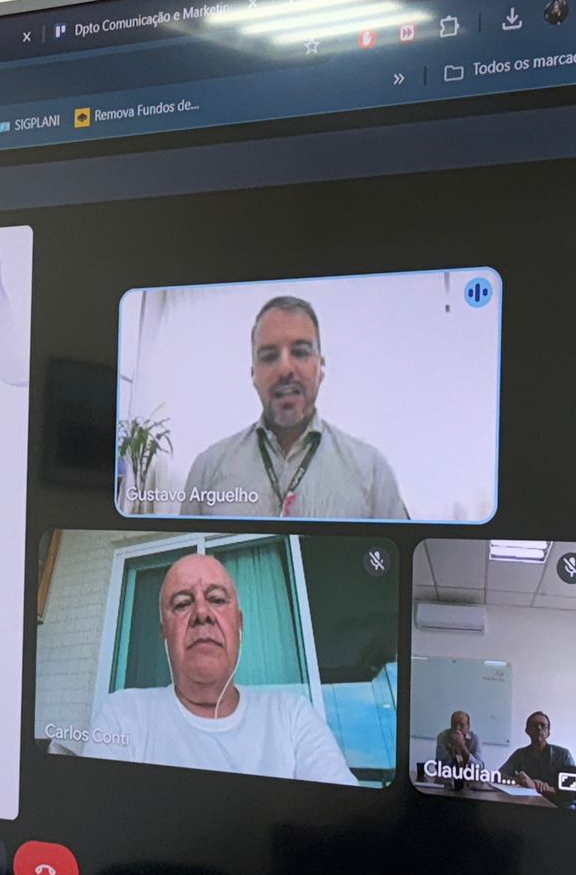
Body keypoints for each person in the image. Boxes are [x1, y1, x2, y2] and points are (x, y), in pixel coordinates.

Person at [82, 552, 356, 784]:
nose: (202, 613)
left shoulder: (291, 715)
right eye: (182, 603)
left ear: (239, 623)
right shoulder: (124, 715)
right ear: (164, 632)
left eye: (216, 599)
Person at [179, 295, 407, 519]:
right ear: (253, 374)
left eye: (300, 353)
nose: (285, 369)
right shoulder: (207, 470)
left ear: (320, 368)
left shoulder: (372, 472)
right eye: (269, 356)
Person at [498, 711, 576, 795]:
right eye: (534, 725)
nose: (539, 728)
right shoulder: (519, 754)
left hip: (556, 802)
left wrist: (539, 787)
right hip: (526, 800)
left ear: (548, 732)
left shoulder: (563, 755)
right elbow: (500, 775)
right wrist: (520, 781)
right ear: (527, 731)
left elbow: (574, 788)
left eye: (543, 725)